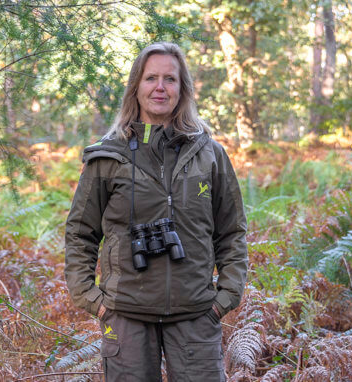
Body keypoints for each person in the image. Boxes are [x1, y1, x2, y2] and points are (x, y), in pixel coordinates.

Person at [65, 41, 248, 382]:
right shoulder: (107, 156)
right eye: (151, 78)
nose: (160, 87)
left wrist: (225, 297)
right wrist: (91, 298)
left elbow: (232, 231)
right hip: (125, 316)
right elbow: (80, 232)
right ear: (136, 86)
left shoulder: (210, 154)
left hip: (195, 313)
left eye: (170, 79)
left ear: (183, 89)